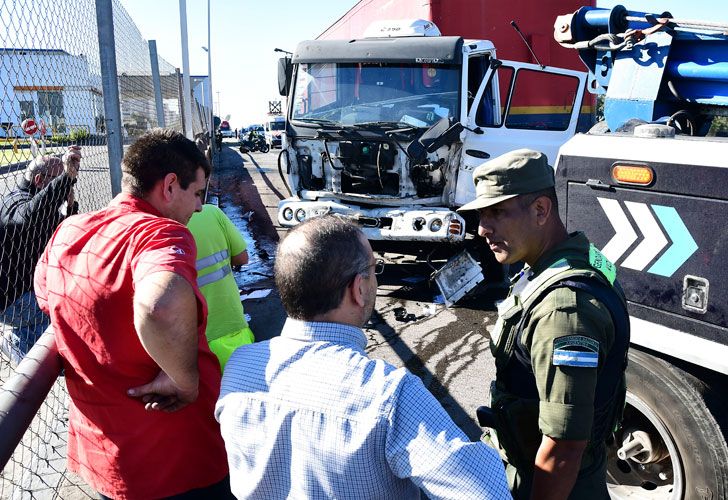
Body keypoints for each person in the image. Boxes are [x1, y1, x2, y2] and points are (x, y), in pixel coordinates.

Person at [215, 215, 511, 500]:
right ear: (358, 289)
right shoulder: (390, 395)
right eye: (373, 270)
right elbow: (485, 493)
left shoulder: (239, 368)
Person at [33, 129, 232, 499]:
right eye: (198, 193)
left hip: (109, 459)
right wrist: (184, 380)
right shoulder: (160, 233)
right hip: (180, 460)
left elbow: (44, 292)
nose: (201, 207)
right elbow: (159, 304)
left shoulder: (69, 232)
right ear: (170, 186)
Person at [457, 149, 630, 499]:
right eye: (480, 215)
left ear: (540, 210)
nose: (482, 229)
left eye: (498, 213)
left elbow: (563, 449)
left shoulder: (563, 312)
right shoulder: (568, 258)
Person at [0, 146, 81, 362]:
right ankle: (19, 341)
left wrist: (70, 207)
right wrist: (65, 179)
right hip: (9, 300)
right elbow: (27, 217)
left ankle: (27, 342)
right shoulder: (13, 203)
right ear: (39, 180)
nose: (67, 186)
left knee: (72, 295)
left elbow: (61, 236)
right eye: (59, 180)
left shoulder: (44, 209)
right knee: (62, 305)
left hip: (26, 290)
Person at [187, 203, 255, 369]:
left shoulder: (150, 232)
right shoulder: (211, 212)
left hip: (188, 343)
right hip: (230, 326)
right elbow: (242, 257)